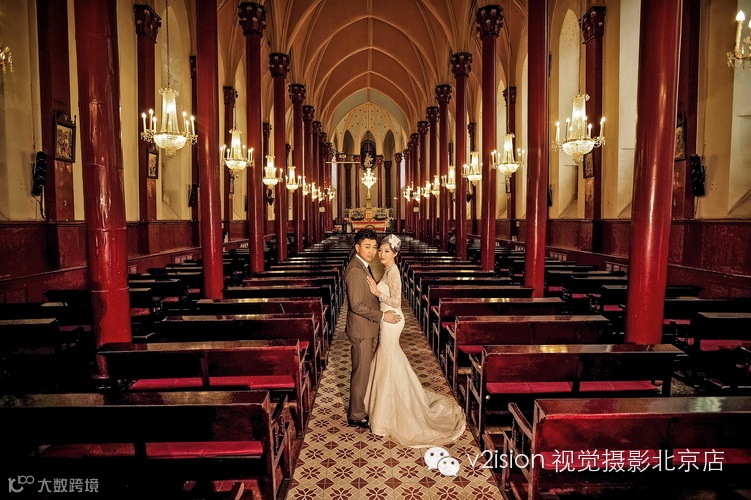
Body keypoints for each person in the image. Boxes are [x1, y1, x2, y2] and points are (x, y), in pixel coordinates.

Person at [364, 234, 466, 447]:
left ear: (395, 253)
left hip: (392, 319)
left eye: (386, 251)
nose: (381, 254)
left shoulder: (393, 272)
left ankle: (388, 411)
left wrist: (376, 292)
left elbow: (396, 301)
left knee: (387, 357)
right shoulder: (388, 270)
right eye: (380, 250)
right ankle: (383, 406)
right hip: (387, 318)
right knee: (388, 358)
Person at [344, 228, 402, 428]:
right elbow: (357, 305)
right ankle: (356, 415)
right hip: (361, 329)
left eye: (374, 247)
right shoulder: (355, 270)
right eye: (366, 247)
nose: (371, 251)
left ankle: (360, 407)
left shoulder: (363, 265)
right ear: (357, 247)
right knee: (361, 373)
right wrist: (382, 315)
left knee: (363, 371)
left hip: (365, 327)